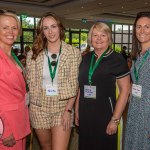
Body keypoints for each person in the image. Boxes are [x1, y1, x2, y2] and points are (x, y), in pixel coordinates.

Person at [26, 12, 81, 150]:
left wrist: (69, 110)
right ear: (41, 31)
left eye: (53, 26)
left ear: (60, 28)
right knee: (46, 146)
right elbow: (30, 81)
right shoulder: (33, 53)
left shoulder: (73, 52)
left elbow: (74, 83)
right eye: (46, 28)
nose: (50, 31)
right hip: (38, 106)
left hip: (62, 106)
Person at [75, 22, 130, 150]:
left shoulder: (117, 59)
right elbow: (81, 87)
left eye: (103, 35)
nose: (98, 38)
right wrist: (77, 110)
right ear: (90, 38)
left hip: (106, 115)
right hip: (86, 114)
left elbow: (125, 91)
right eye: (95, 35)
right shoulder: (85, 58)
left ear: (109, 38)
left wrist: (115, 119)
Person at [0, 10, 30, 149]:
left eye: (14, 27)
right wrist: (3, 129)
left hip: (19, 121)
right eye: (5, 27)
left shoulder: (12, 55)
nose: (10, 31)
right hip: (6, 125)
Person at [124, 11, 150, 150]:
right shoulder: (136, 55)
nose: (142, 30)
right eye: (139, 26)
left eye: (147, 26)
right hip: (135, 110)